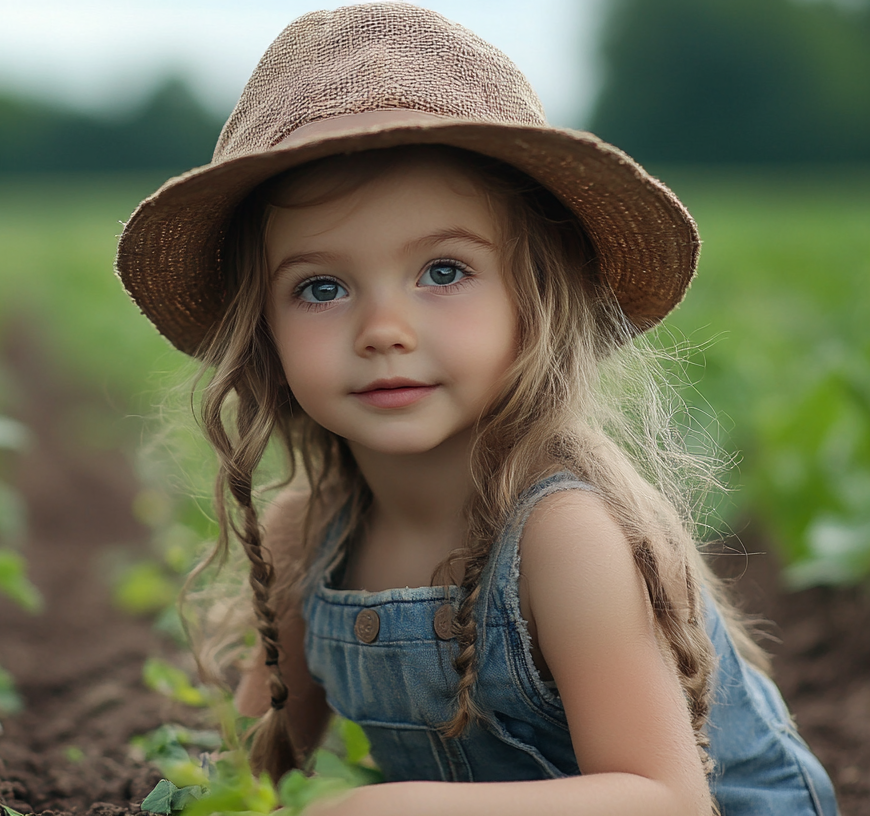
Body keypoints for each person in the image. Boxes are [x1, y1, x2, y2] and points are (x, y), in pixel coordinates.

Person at [113, 4, 839, 815]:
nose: (384, 330)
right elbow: (253, 777)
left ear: (536, 300)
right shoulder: (308, 534)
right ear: (264, 332)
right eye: (322, 287)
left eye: (444, 272)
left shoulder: (562, 537)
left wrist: (387, 807)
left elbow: (667, 797)